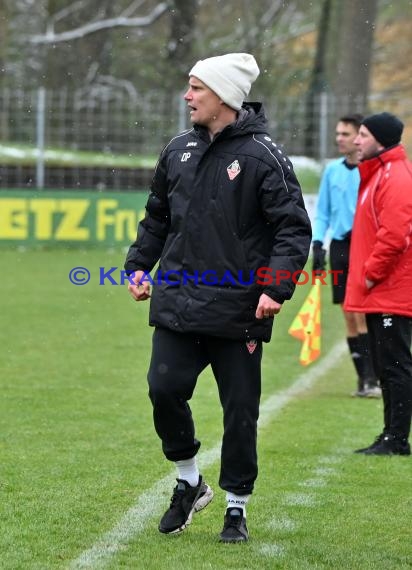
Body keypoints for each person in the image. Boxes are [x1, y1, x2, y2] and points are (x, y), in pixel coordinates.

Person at [124, 53, 311, 541]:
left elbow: (291, 229)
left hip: (239, 308)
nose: (188, 96)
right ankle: (189, 483)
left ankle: (236, 507)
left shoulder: (262, 156)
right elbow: (158, 217)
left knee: (240, 410)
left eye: (196, 88)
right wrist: (139, 266)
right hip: (178, 302)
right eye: (189, 87)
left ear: (224, 97)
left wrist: (276, 286)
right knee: (163, 390)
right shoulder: (177, 150)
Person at [344, 111, 412, 456]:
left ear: (381, 140)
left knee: (395, 365)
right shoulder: (380, 172)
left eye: (364, 135)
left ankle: (397, 439)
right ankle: (390, 435)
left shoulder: (395, 176)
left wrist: (370, 273)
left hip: (391, 289)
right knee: (387, 365)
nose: (357, 140)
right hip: (382, 290)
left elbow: (395, 236)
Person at [312, 114, 380, 398]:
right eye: (337, 133)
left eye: (345, 133)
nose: (339, 138)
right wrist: (318, 244)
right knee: (349, 316)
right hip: (340, 247)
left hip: (366, 246)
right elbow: (324, 211)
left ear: (360, 137)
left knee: (364, 313)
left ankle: (373, 377)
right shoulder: (332, 171)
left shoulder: (374, 170)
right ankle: (364, 379)